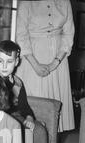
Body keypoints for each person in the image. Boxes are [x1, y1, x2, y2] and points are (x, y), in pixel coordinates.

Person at [16, 0, 75, 132]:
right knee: (35, 106)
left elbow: (68, 34)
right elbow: (21, 36)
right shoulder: (26, 3)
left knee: (55, 106)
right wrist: (36, 65)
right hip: (32, 59)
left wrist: (55, 63)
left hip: (59, 58)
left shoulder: (65, 2)